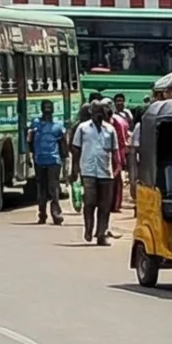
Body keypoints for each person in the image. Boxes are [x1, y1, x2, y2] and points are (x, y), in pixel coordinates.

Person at [73, 102, 121, 246]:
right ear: (91, 112)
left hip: (106, 172)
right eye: (96, 111)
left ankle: (101, 234)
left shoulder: (110, 130)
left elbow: (115, 151)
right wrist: (74, 169)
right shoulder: (83, 128)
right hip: (88, 171)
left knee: (105, 206)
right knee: (89, 203)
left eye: (101, 111)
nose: (99, 114)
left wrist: (118, 168)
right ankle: (88, 229)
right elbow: (76, 149)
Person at [27, 101, 65, 226]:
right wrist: (31, 155)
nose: (47, 111)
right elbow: (29, 140)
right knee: (41, 189)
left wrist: (65, 159)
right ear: (42, 109)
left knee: (53, 189)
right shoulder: (35, 124)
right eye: (45, 108)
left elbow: (62, 144)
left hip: (54, 161)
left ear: (53, 110)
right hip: (39, 160)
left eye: (49, 109)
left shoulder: (58, 126)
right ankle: (42, 214)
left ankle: (56, 215)